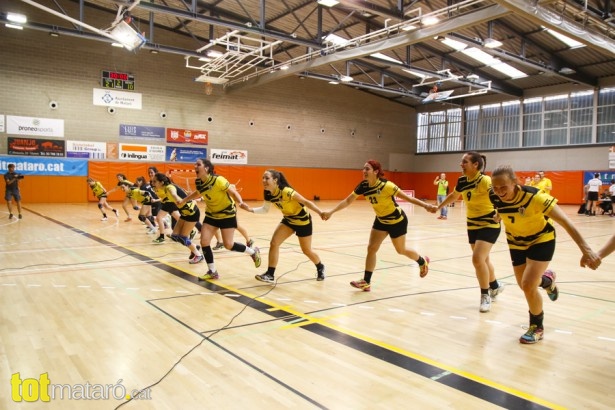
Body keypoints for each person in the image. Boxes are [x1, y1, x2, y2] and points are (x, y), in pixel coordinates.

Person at [489, 165, 600, 344]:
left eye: (504, 187)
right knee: (523, 284)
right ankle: (547, 281)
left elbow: (566, 222)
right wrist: (498, 216)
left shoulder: (536, 197)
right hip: (516, 242)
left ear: (515, 183)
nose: (499, 191)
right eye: (496, 187)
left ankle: (537, 326)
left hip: (541, 240)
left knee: (527, 284)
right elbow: (503, 208)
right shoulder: (494, 196)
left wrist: (586, 250)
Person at [321, 160, 435, 292]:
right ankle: (366, 282)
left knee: (400, 250)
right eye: (363, 168)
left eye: (367, 169)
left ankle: (422, 262)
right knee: (371, 249)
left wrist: (426, 205)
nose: (364, 171)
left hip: (397, 221)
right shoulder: (363, 186)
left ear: (375, 172)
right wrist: (331, 212)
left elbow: (408, 198)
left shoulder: (387, 186)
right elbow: (348, 200)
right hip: (381, 220)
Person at [436, 152, 505, 313]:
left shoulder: (485, 181)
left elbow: (501, 197)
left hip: (489, 223)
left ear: (475, 165)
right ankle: (495, 286)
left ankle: (485, 295)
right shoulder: (462, 180)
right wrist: (438, 207)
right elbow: (454, 195)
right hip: (472, 224)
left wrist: (499, 214)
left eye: (465, 162)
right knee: (484, 260)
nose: (461, 164)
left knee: (477, 259)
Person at [178, 158, 261, 280]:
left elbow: (233, 192)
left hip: (227, 214)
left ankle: (253, 252)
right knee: (204, 242)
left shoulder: (219, 180)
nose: (195, 166)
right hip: (211, 215)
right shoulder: (199, 182)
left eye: (198, 164)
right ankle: (212, 271)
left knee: (228, 245)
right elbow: (198, 193)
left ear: (206, 168)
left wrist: (241, 202)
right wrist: (185, 200)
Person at [240, 169, 326, 283]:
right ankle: (270, 274)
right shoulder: (268, 193)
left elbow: (306, 202)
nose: (264, 180)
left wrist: (320, 212)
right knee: (274, 243)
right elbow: (265, 209)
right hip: (288, 220)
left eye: (267, 178)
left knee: (306, 250)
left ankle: (320, 266)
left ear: (275, 180)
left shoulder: (286, 191)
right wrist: (249, 209)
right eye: (263, 178)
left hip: (303, 221)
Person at [151, 173, 204, 264]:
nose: (152, 183)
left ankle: (198, 255)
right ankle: (194, 247)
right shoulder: (165, 189)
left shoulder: (169, 187)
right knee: (175, 236)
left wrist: (177, 199)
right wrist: (165, 199)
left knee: (183, 237)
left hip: (192, 212)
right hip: (185, 213)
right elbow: (170, 195)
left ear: (162, 182)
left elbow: (173, 193)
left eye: (155, 181)